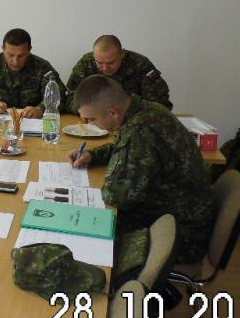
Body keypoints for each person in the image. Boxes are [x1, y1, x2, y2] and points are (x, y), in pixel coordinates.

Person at [68, 75, 215, 263]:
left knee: (84, 235)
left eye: (92, 119)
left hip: (180, 233)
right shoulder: (146, 110)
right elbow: (125, 147)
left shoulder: (140, 130)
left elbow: (118, 197)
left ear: (112, 112)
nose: (89, 125)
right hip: (180, 214)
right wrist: (93, 155)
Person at [0, 28, 67, 119]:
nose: (15, 61)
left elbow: (60, 96)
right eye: (10, 55)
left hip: (33, 123)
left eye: (21, 56)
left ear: (29, 50)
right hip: (0, 123)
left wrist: (40, 109)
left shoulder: (42, 67)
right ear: (3, 49)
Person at [65, 34, 172, 112]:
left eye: (111, 62)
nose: (105, 68)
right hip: (93, 123)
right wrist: (89, 111)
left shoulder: (140, 64)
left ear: (122, 54)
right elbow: (68, 96)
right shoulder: (86, 63)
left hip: (132, 122)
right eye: (99, 63)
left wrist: (126, 113)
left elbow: (159, 104)